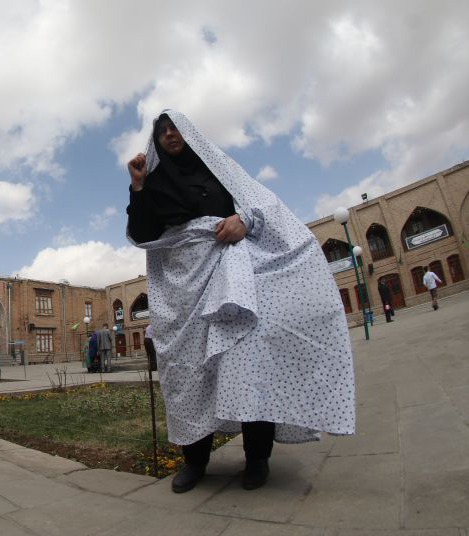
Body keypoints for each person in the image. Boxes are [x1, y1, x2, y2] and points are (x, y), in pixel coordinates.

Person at [126, 110, 355, 493]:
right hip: (181, 289)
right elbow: (142, 232)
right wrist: (137, 188)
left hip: (230, 277)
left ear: (189, 133)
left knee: (248, 363)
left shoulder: (219, 170)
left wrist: (244, 221)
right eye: (162, 131)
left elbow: (263, 205)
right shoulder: (154, 183)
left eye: (175, 128)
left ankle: (257, 458)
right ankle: (195, 462)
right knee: (188, 372)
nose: (169, 134)